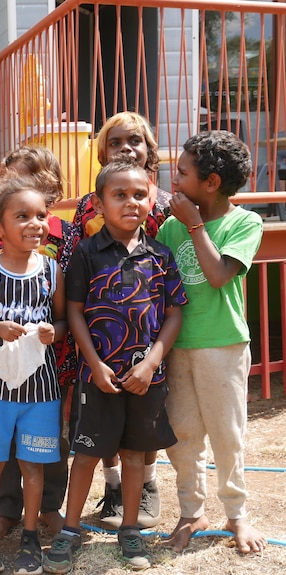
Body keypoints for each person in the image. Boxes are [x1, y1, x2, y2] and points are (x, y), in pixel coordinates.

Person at [43, 161, 186, 574]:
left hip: (147, 379)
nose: (130, 202)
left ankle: (129, 529)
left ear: (151, 200)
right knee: (86, 454)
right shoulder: (87, 254)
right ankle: (70, 529)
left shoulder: (160, 255)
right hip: (97, 376)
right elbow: (74, 311)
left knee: (136, 455)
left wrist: (152, 363)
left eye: (139, 194)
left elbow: (174, 314)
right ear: (100, 204)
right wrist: (94, 364)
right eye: (119, 195)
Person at [59, 111, 171, 529]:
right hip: (99, 328)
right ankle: (111, 485)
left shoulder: (161, 204)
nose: (126, 147)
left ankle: (146, 488)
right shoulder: (87, 206)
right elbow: (74, 261)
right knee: (103, 413)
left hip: (147, 325)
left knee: (145, 412)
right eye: (116, 141)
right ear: (102, 151)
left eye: (135, 140)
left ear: (149, 149)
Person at [157, 130, 267, 554]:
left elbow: (220, 275)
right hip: (179, 345)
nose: (175, 180)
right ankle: (191, 511)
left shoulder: (245, 222)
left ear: (211, 183)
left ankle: (236, 514)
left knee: (227, 434)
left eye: (182, 173)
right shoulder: (169, 228)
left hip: (223, 345)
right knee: (182, 433)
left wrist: (196, 225)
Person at [0, 175, 67, 575]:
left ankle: (29, 538)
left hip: (41, 390)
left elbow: (61, 322)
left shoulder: (52, 270)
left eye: (41, 215)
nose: (35, 223)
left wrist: (53, 332)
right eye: (21, 216)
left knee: (32, 465)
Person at [0, 146, 72, 538]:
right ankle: (7, 507)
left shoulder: (63, 235)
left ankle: (50, 504)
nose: (16, 184)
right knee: (5, 432)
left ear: (49, 189)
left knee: (49, 433)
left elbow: (69, 293)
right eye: (9, 176)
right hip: (3, 357)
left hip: (51, 357)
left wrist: (56, 332)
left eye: (26, 177)